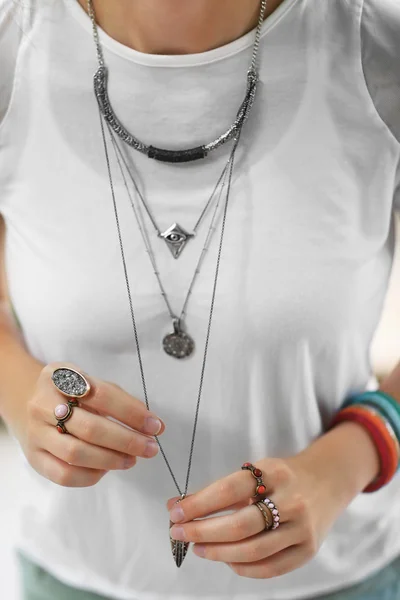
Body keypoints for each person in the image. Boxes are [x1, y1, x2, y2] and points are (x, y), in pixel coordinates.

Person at [0, 0, 400, 598]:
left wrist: (350, 458)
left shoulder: (377, 46)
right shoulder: (15, 45)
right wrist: (14, 388)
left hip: (341, 578)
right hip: (74, 574)